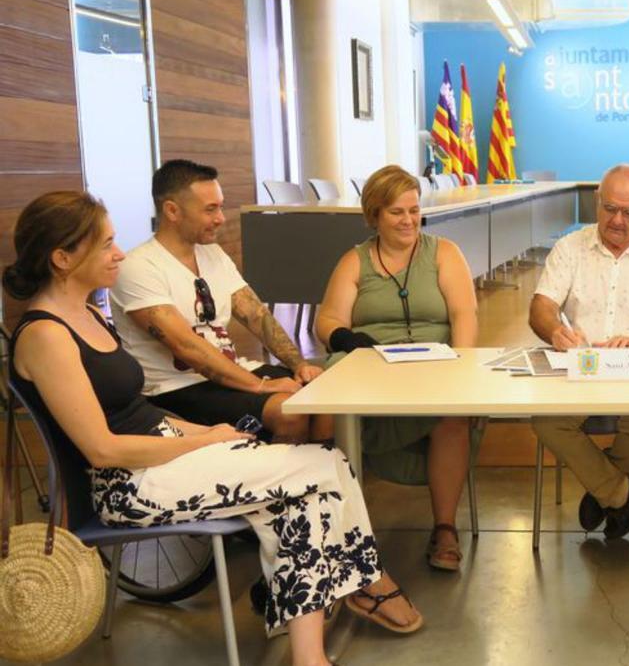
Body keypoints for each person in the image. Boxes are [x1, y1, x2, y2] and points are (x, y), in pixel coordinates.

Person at [3, 191, 422, 666]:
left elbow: (135, 411)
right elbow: (102, 449)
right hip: (131, 486)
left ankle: (311, 653)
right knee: (322, 468)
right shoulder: (46, 336)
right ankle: (364, 586)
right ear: (63, 258)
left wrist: (196, 432)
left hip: (167, 455)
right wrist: (204, 438)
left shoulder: (90, 314)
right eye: (106, 244)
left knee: (309, 490)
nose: (118, 253)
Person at [315, 164, 478, 571]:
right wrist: (351, 342)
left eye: (414, 210)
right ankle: (338, 527)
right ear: (374, 216)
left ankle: (444, 529)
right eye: (396, 212)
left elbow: (465, 315)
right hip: (371, 367)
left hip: (436, 366)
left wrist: (460, 365)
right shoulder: (354, 261)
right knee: (323, 412)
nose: (409, 220)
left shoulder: (444, 253)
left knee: (453, 417)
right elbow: (328, 321)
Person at [109, 159, 329, 443]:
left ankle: (318, 479)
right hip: (177, 388)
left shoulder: (212, 254)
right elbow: (188, 347)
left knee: (325, 393)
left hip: (233, 374)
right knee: (290, 411)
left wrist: (299, 363)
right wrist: (261, 386)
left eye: (220, 206)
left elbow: (256, 316)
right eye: (210, 209)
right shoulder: (138, 266)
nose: (221, 218)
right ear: (172, 211)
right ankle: (277, 484)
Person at [528, 164, 629, 540]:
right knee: (545, 420)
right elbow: (540, 307)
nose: (616, 220)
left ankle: (603, 492)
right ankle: (619, 491)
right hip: (580, 367)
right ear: (597, 201)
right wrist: (556, 331)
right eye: (609, 208)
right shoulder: (570, 247)